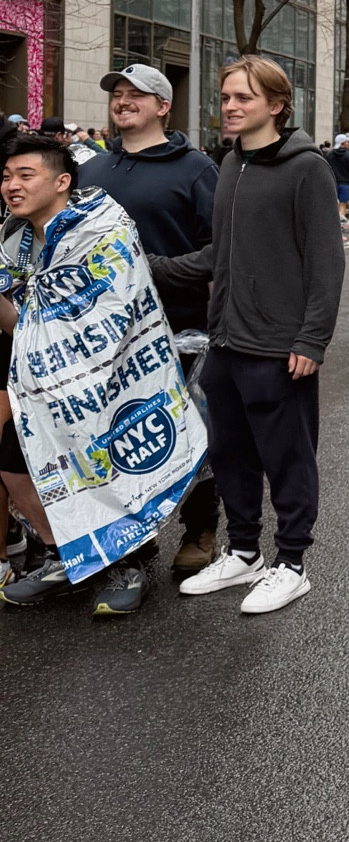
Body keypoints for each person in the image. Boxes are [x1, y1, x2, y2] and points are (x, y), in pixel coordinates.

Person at [150, 57, 345, 615]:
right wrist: (158, 266)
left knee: (287, 456)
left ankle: (291, 563)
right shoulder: (231, 163)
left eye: (243, 98)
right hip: (227, 343)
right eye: (227, 97)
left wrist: (311, 341)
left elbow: (327, 264)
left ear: (277, 105)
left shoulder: (306, 168)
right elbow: (224, 253)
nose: (230, 106)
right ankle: (242, 553)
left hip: (279, 347)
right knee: (230, 454)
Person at [0, 135, 206, 616]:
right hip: (42, 385)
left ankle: (126, 563)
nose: (12, 185)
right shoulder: (14, 241)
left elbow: (121, 308)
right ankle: (65, 556)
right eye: (7, 177)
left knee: (104, 463)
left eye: (25, 175)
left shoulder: (103, 227)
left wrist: (84, 371)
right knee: (13, 463)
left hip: (115, 379)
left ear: (62, 181)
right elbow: (20, 324)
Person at [76, 62, 223, 583]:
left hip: (179, 329)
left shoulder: (196, 168)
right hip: (101, 335)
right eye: (117, 93)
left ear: (163, 106)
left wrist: (162, 273)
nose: (123, 100)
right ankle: (134, 537)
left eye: (137, 94)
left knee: (187, 434)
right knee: (119, 438)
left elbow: (218, 250)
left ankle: (200, 530)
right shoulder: (91, 170)